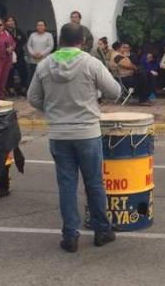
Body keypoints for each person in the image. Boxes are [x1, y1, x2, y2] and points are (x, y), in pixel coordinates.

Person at [27, 23, 121, 252]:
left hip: (59, 134)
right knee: (94, 183)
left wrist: (52, 110)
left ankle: (70, 235)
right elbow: (115, 91)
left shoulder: (45, 64)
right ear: (83, 41)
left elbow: (32, 98)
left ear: (60, 40)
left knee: (67, 185)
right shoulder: (91, 63)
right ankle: (102, 230)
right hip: (87, 132)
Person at [5, 16, 29, 96]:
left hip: (19, 55)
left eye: (12, 20)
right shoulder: (5, 32)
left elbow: (24, 41)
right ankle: (10, 89)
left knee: (23, 71)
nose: (10, 22)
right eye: (9, 21)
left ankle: (23, 88)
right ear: (6, 23)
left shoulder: (19, 31)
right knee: (10, 72)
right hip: (8, 55)